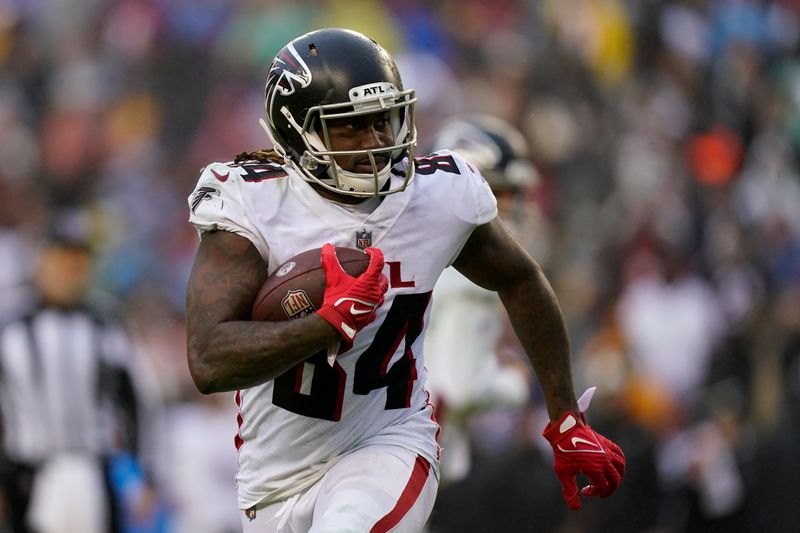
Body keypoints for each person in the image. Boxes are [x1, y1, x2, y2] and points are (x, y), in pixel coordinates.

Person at [185, 28, 625, 533]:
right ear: (296, 134)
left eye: (384, 121)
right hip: (272, 479)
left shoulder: (437, 195)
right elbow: (208, 360)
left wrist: (565, 416)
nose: (376, 144)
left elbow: (521, 279)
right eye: (351, 127)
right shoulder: (253, 204)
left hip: (389, 443)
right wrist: (325, 325)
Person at [0, 233, 160, 533]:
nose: (70, 274)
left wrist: (147, 474)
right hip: (27, 472)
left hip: (93, 469)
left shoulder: (107, 327)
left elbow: (137, 401)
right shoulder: (11, 330)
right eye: (62, 262)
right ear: (42, 264)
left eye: (78, 264)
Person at [423, 114, 538, 483]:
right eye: (499, 192)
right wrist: (514, 383)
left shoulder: (421, 254)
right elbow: (460, 390)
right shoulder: (467, 278)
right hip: (412, 448)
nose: (509, 205)